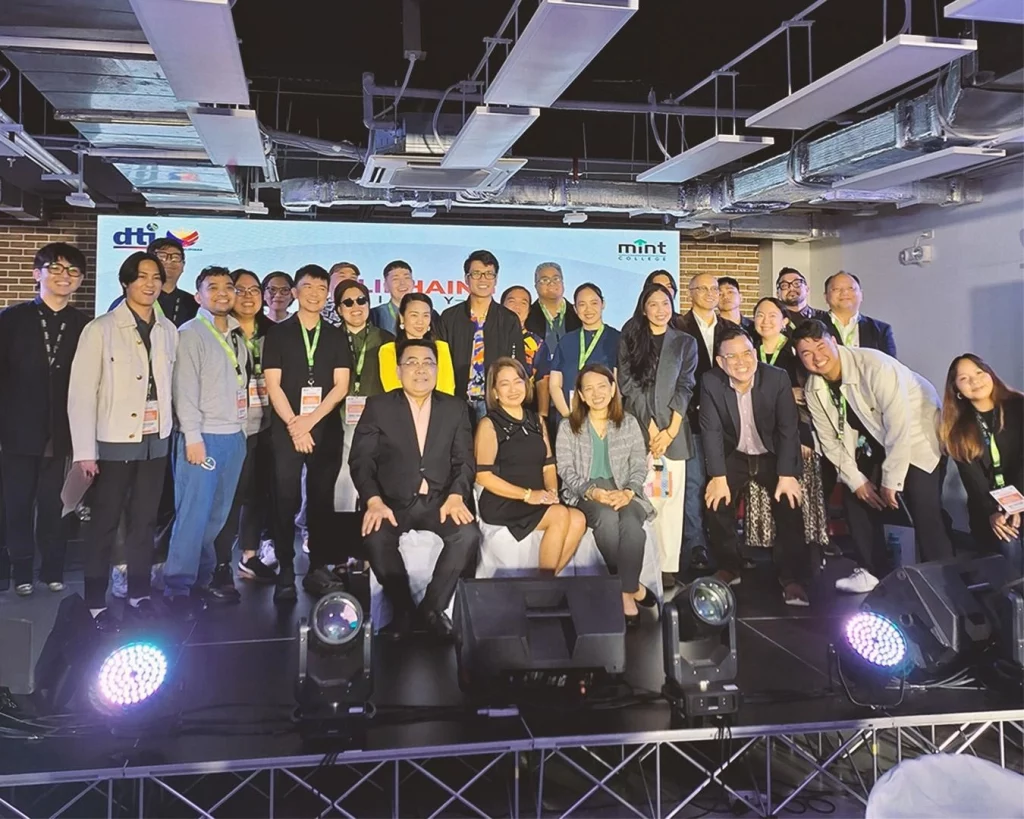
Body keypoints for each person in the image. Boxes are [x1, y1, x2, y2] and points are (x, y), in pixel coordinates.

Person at [794, 320, 953, 592]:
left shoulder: (875, 366)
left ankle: (942, 579)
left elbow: (899, 425)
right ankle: (871, 570)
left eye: (820, 346)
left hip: (918, 435)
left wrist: (892, 480)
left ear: (834, 341)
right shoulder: (814, 388)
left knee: (923, 506)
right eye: (806, 353)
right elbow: (829, 441)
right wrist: (857, 481)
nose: (816, 357)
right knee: (856, 497)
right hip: (877, 441)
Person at [68, 251, 178, 628]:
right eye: (141, 276)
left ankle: (139, 594)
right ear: (126, 283)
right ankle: (95, 600)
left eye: (156, 277)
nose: (150, 284)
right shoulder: (100, 329)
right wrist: (85, 452)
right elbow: (82, 394)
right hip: (113, 441)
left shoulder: (168, 330)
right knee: (105, 522)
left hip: (155, 442)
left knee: (145, 522)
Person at [349, 338, 480, 640]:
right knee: (375, 536)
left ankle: (432, 610)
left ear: (437, 369)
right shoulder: (378, 407)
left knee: (467, 535)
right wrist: (373, 501)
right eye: (412, 362)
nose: (420, 369)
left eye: (428, 363)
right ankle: (403, 610)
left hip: (439, 501)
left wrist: (457, 495)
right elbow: (361, 460)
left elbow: (464, 460)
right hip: (392, 501)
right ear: (398, 371)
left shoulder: (455, 408)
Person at [0, 242, 89, 595]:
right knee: (16, 505)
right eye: (55, 268)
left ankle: (53, 568)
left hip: (64, 432)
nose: (64, 276)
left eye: (73, 271)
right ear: (37, 273)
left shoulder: (85, 325)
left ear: (80, 280)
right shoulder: (10, 319)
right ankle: (20, 570)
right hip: (16, 430)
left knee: (57, 505)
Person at [163, 266, 249, 616]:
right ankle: (177, 588)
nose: (223, 293)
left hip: (234, 436)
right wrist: (193, 436)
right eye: (212, 287)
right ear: (198, 296)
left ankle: (202, 579)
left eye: (228, 287)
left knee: (216, 516)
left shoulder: (237, 335)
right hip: (202, 438)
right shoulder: (191, 333)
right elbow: (183, 390)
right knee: (193, 516)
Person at [701, 327, 810, 605]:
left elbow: (788, 429)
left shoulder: (777, 378)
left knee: (789, 502)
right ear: (720, 362)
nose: (742, 362)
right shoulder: (711, 381)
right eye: (732, 357)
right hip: (735, 453)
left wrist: (787, 474)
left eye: (747, 353)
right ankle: (729, 566)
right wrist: (717, 477)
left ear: (755, 353)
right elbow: (711, 431)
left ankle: (791, 578)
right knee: (716, 501)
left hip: (771, 453)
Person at [263, 264, 352, 602]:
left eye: (321, 288)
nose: (314, 293)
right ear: (295, 292)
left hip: (324, 428)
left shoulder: (335, 335)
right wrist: (294, 424)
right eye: (308, 287)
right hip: (286, 428)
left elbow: (341, 385)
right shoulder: (278, 333)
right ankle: (286, 569)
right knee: (284, 499)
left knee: (321, 500)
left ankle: (317, 567)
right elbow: (273, 385)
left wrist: (309, 421)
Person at [556, 364, 657, 624]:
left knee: (632, 523)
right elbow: (565, 469)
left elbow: (638, 465)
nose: (596, 393)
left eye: (602, 386)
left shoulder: (629, 423)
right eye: (588, 389)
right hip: (586, 492)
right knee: (606, 518)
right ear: (580, 394)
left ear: (613, 389)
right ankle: (632, 590)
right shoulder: (568, 426)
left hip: (624, 489)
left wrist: (628, 492)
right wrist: (591, 491)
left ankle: (624, 590)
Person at [618, 283, 698, 589]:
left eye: (665, 303)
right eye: (653, 304)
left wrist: (671, 430)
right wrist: (653, 430)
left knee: (670, 501)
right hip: (641, 433)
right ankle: (641, 565)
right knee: (644, 498)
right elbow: (628, 386)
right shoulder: (630, 338)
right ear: (643, 308)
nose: (660, 310)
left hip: (674, 433)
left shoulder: (685, 342)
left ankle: (667, 567)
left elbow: (686, 386)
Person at [476, 358, 586, 573]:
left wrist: (552, 491)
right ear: (495, 392)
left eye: (518, 381)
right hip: (504, 501)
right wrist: (528, 495)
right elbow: (483, 476)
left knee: (578, 519)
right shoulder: (489, 424)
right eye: (504, 384)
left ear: (526, 385)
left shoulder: (537, 420)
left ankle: (543, 584)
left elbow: (548, 465)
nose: (513, 389)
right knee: (559, 514)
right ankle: (543, 586)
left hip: (537, 497)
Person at [748, 297, 830, 552]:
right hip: (759, 436)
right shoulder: (748, 352)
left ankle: (805, 550)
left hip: (793, 437)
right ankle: (766, 548)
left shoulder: (796, 353)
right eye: (760, 315)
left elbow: (808, 397)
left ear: (784, 321)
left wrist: (805, 437)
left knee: (796, 500)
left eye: (772, 315)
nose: (765, 321)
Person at [214, 270, 278, 587]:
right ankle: (219, 563)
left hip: (266, 425)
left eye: (255, 290)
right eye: (241, 290)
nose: (249, 296)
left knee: (257, 494)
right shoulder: (220, 332)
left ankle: (249, 557)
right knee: (229, 497)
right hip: (230, 426)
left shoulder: (275, 333)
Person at [677, 273, 738, 572]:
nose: (711, 293)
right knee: (694, 483)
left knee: (724, 482)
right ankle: (695, 544)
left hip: (728, 420)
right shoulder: (677, 326)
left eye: (715, 288)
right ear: (690, 293)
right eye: (702, 288)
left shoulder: (732, 329)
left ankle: (725, 547)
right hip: (690, 418)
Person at [940, 355, 1022, 574]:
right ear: (957, 390)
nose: (975, 381)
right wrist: (992, 513)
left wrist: (1016, 505)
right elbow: (973, 481)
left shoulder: (1018, 406)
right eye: (964, 378)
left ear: (990, 374)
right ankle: (1012, 594)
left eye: (979, 372)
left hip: (1021, 493)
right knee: (1008, 539)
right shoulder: (957, 429)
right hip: (988, 507)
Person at [333, 279, 393, 575]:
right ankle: (344, 554)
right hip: (339, 420)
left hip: (377, 424)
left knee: (377, 485)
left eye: (361, 300)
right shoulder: (330, 339)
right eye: (348, 302)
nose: (356, 307)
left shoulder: (386, 339)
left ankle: (374, 554)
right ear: (338, 308)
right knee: (342, 488)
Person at [437, 250, 523, 422]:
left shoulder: (509, 319)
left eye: (489, 274)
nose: (483, 279)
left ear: (496, 279)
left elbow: (517, 364)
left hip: (495, 402)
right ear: (466, 278)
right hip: (457, 401)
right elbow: (441, 362)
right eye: (476, 273)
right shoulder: (449, 317)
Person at [548, 284, 621, 423]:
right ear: (575, 309)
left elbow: (617, 385)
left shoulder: (617, 339)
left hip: (605, 421)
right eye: (582, 304)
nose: (588, 309)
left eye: (594, 303)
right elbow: (554, 385)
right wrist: (568, 418)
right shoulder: (566, 341)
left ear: (603, 304)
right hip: (569, 418)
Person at [108, 236, 198, 327]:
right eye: (162, 257)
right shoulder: (128, 302)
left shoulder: (194, 303)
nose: (169, 262)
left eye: (175, 257)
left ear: (183, 264)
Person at [378, 293, 455, 394]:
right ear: (402, 317)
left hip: (438, 403)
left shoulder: (441, 348)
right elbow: (393, 389)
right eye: (414, 315)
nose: (420, 322)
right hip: (400, 403)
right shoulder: (389, 350)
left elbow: (447, 389)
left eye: (425, 315)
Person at [824, 271, 897, 357]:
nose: (844, 292)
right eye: (836, 289)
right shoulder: (813, 326)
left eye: (851, 288)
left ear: (861, 295)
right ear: (826, 297)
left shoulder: (881, 330)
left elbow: (889, 364)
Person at [525, 262, 581, 365]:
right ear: (536, 286)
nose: (551, 283)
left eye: (556, 279)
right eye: (545, 280)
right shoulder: (526, 316)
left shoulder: (580, 315)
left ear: (563, 283)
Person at [501, 285, 542, 371]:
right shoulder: (488, 336)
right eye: (511, 301)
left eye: (523, 303)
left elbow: (543, 376)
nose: (517, 307)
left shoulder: (537, 343)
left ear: (529, 310)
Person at [370, 260, 416, 336]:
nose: (402, 283)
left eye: (406, 278)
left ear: (413, 283)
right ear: (386, 286)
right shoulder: (375, 314)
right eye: (395, 279)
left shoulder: (428, 313)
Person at [322, 261, 361, 326]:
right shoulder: (318, 308)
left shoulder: (362, 308)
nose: (348, 280)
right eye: (342, 276)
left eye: (353, 277)